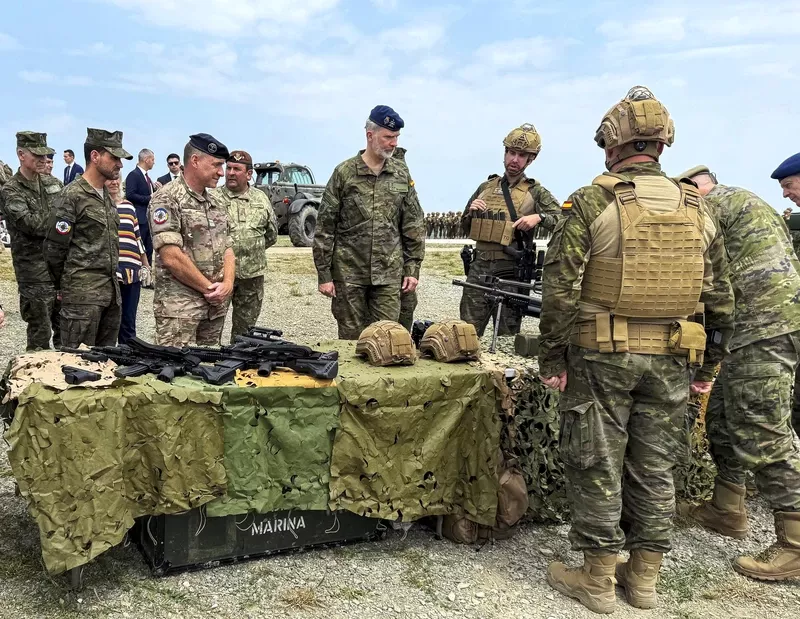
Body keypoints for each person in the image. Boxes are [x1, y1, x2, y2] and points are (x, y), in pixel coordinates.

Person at [537, 86, 734, 614]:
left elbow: (559, 289)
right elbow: (720, 297)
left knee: (597, 461)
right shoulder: (697, 206)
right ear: (662, 143)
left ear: (613, 144)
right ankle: (644, 579)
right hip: (673, 357)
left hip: (602, 356)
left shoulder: (594, 200)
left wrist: (552, 358)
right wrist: (709, 366)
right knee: (656, 466)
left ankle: (597, 579)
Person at [676, 165, 800, 582]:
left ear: (694, 190)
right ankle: (727, 508)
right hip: (758, 326)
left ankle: (795, 544)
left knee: (761, 426)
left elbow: (699, 281)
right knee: (723, 415)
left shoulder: (709, 207)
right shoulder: (744, 201)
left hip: (763, 327)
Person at [313, 105, 425, 339]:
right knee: (351, 341)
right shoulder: (344, 173)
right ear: (370, 135)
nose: (393, 143)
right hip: (349, 274)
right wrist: (324, 275)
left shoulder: (401, 174)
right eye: (388, 137)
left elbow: (413, 224)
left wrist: (412, 269)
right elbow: (325, 227)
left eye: (396, 137)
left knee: (387, 339)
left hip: (388, 274)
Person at [459, 124, 560, 336]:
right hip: (478, 271)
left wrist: (539, 217)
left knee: (506, 337)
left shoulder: (536, 192)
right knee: (466, 334)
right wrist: (471, 212)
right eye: (511, 153)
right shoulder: (485, 188)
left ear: (531, 159)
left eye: (522, 155)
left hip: (511, 274)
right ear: (504, 152)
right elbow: (464, 227)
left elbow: (563, 220)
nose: (515, 159)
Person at [44, 128, 132, 347]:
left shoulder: (107, 198)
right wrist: (67, 286)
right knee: (76, 363)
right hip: (81, 300)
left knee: (106, 363)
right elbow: (54, 250)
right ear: (95, 156)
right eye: (114, 158)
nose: (120, 164)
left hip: (110, 297)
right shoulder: (72, 195)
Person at [148, 133, 234, 347]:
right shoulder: (167, 198)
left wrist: (228, 284)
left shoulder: (215, 202)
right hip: (180, 310)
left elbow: (228, 247)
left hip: (214, 308)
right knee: (174, 366)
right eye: (216, 165)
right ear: (195, 161)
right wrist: (209, 289)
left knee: (210, 364)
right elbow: (171, 256)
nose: (221, 172)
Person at [0, 131, 61, 350]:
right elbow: (30, 225)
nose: (43, 159)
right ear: (21, 155)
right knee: (39, 336)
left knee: (67, 336)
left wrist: (63, 222)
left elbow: (71, 216)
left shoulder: (53, 184)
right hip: (33, 275)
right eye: (37, 155)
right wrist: (61, 222)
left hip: (59, 271)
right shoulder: (11, 190)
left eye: (45, 155)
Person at [210, 149, 277, 341]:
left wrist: (250, 250)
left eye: (237, 169)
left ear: (248, 174)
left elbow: (271, 234)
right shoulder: (212, 198)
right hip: (219, 276)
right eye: (229, 168)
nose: (230, 173)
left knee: (245, 333)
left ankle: (238, 357)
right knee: (210, 330)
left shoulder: (261, 198)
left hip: (251, 277)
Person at [108, 176, 151, 344]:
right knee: (110, 321)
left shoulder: (128, 206)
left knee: (128, 320)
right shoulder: (99, 206)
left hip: (132, 271)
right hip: (110, 271)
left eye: (116, 179)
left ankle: (127, 354)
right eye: (109, 179)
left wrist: (146, 265)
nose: (114, 182)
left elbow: (137, 237)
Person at [125, 149, 157, 266]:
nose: (154, 162)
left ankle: (147, 273)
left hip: (148, 220)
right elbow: (130, 195)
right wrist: (149, 197)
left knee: (149, 248)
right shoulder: (133, 175)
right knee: (140, 248)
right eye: (152, 159)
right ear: (146, 159)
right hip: (139, 219)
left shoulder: (147, 177)